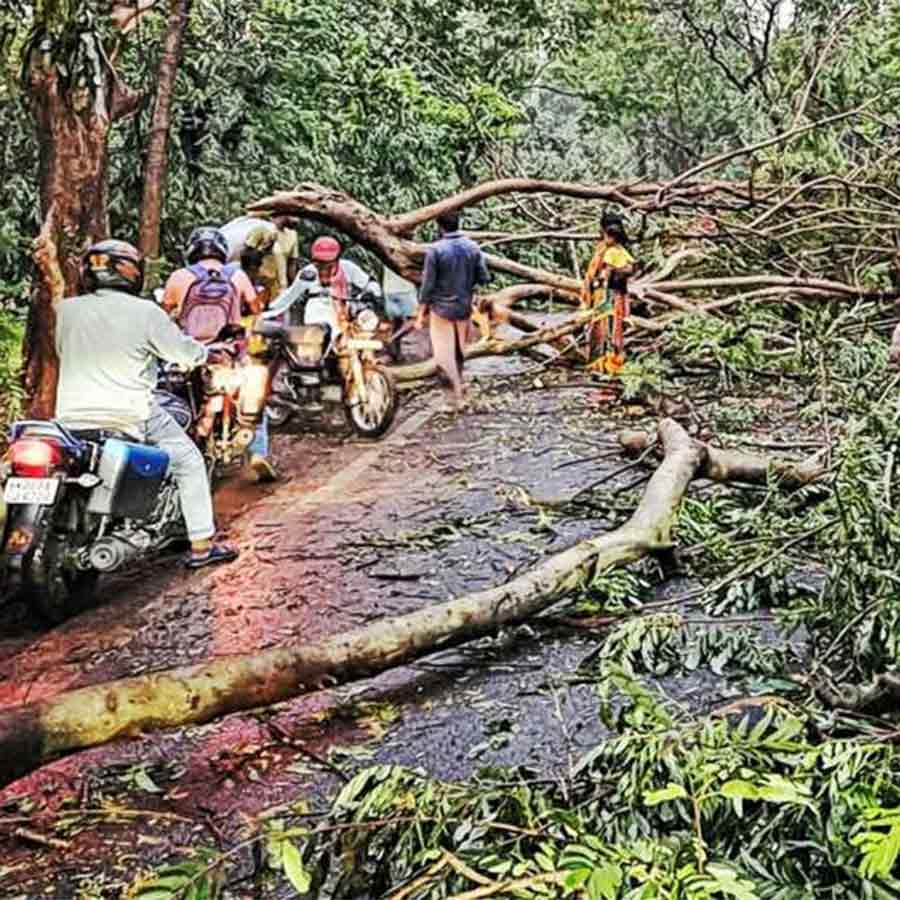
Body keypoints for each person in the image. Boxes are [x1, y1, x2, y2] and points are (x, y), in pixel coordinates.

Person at [54, 239, 237, 569]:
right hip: (130, 413)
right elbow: (183, 352)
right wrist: (208, 353)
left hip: (69, 418)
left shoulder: (66, 310)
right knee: (189, 460)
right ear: (131, 273)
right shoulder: (145, 313)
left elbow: (62, 351)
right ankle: (201, 545)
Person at [161, 226, 278, 482]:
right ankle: (258, 452)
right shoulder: (237, 276)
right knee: (257, 395)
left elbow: (165, 314)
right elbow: (256, 309)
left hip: (191, 354)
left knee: (171, 394)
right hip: (229, 353)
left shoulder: (180, 277)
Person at [414, 210, 490, 411]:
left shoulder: (435, 250)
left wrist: (421, 313)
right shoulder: (473, 247)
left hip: (441, 309)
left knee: (443, 355)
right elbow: (484, 277)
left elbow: (427, 284)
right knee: (458, 352)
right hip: (463, 307)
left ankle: (453, 399)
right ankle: (460, 391)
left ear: (439, 227)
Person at [263, 235, 381, 332]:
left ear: (337, 260)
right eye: (319, 265)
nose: (323, 269)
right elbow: (290, 296)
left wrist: (371, 293)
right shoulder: (308, 273)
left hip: (344, 311)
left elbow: (370, 283)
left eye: (328, 265)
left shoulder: (348, 268)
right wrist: (268, 310)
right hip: (316, 313)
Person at [581, 214, 635, 374]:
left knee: (606, 329)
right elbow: (630, 267)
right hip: (615, 293)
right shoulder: (615, 250)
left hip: (608, 295)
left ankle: (605, 365)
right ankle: (608, 363)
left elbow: (606, 273)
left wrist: (600, 282)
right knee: (609, 329)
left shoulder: (610, 251)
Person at [221, 214, 300, 307]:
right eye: (294, 215)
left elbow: (292, 264)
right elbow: (247, 255)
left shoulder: (293, 235)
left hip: (277, 289)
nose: (298, 220)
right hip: (256, 284)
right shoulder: (261, 229)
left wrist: (294, 290)